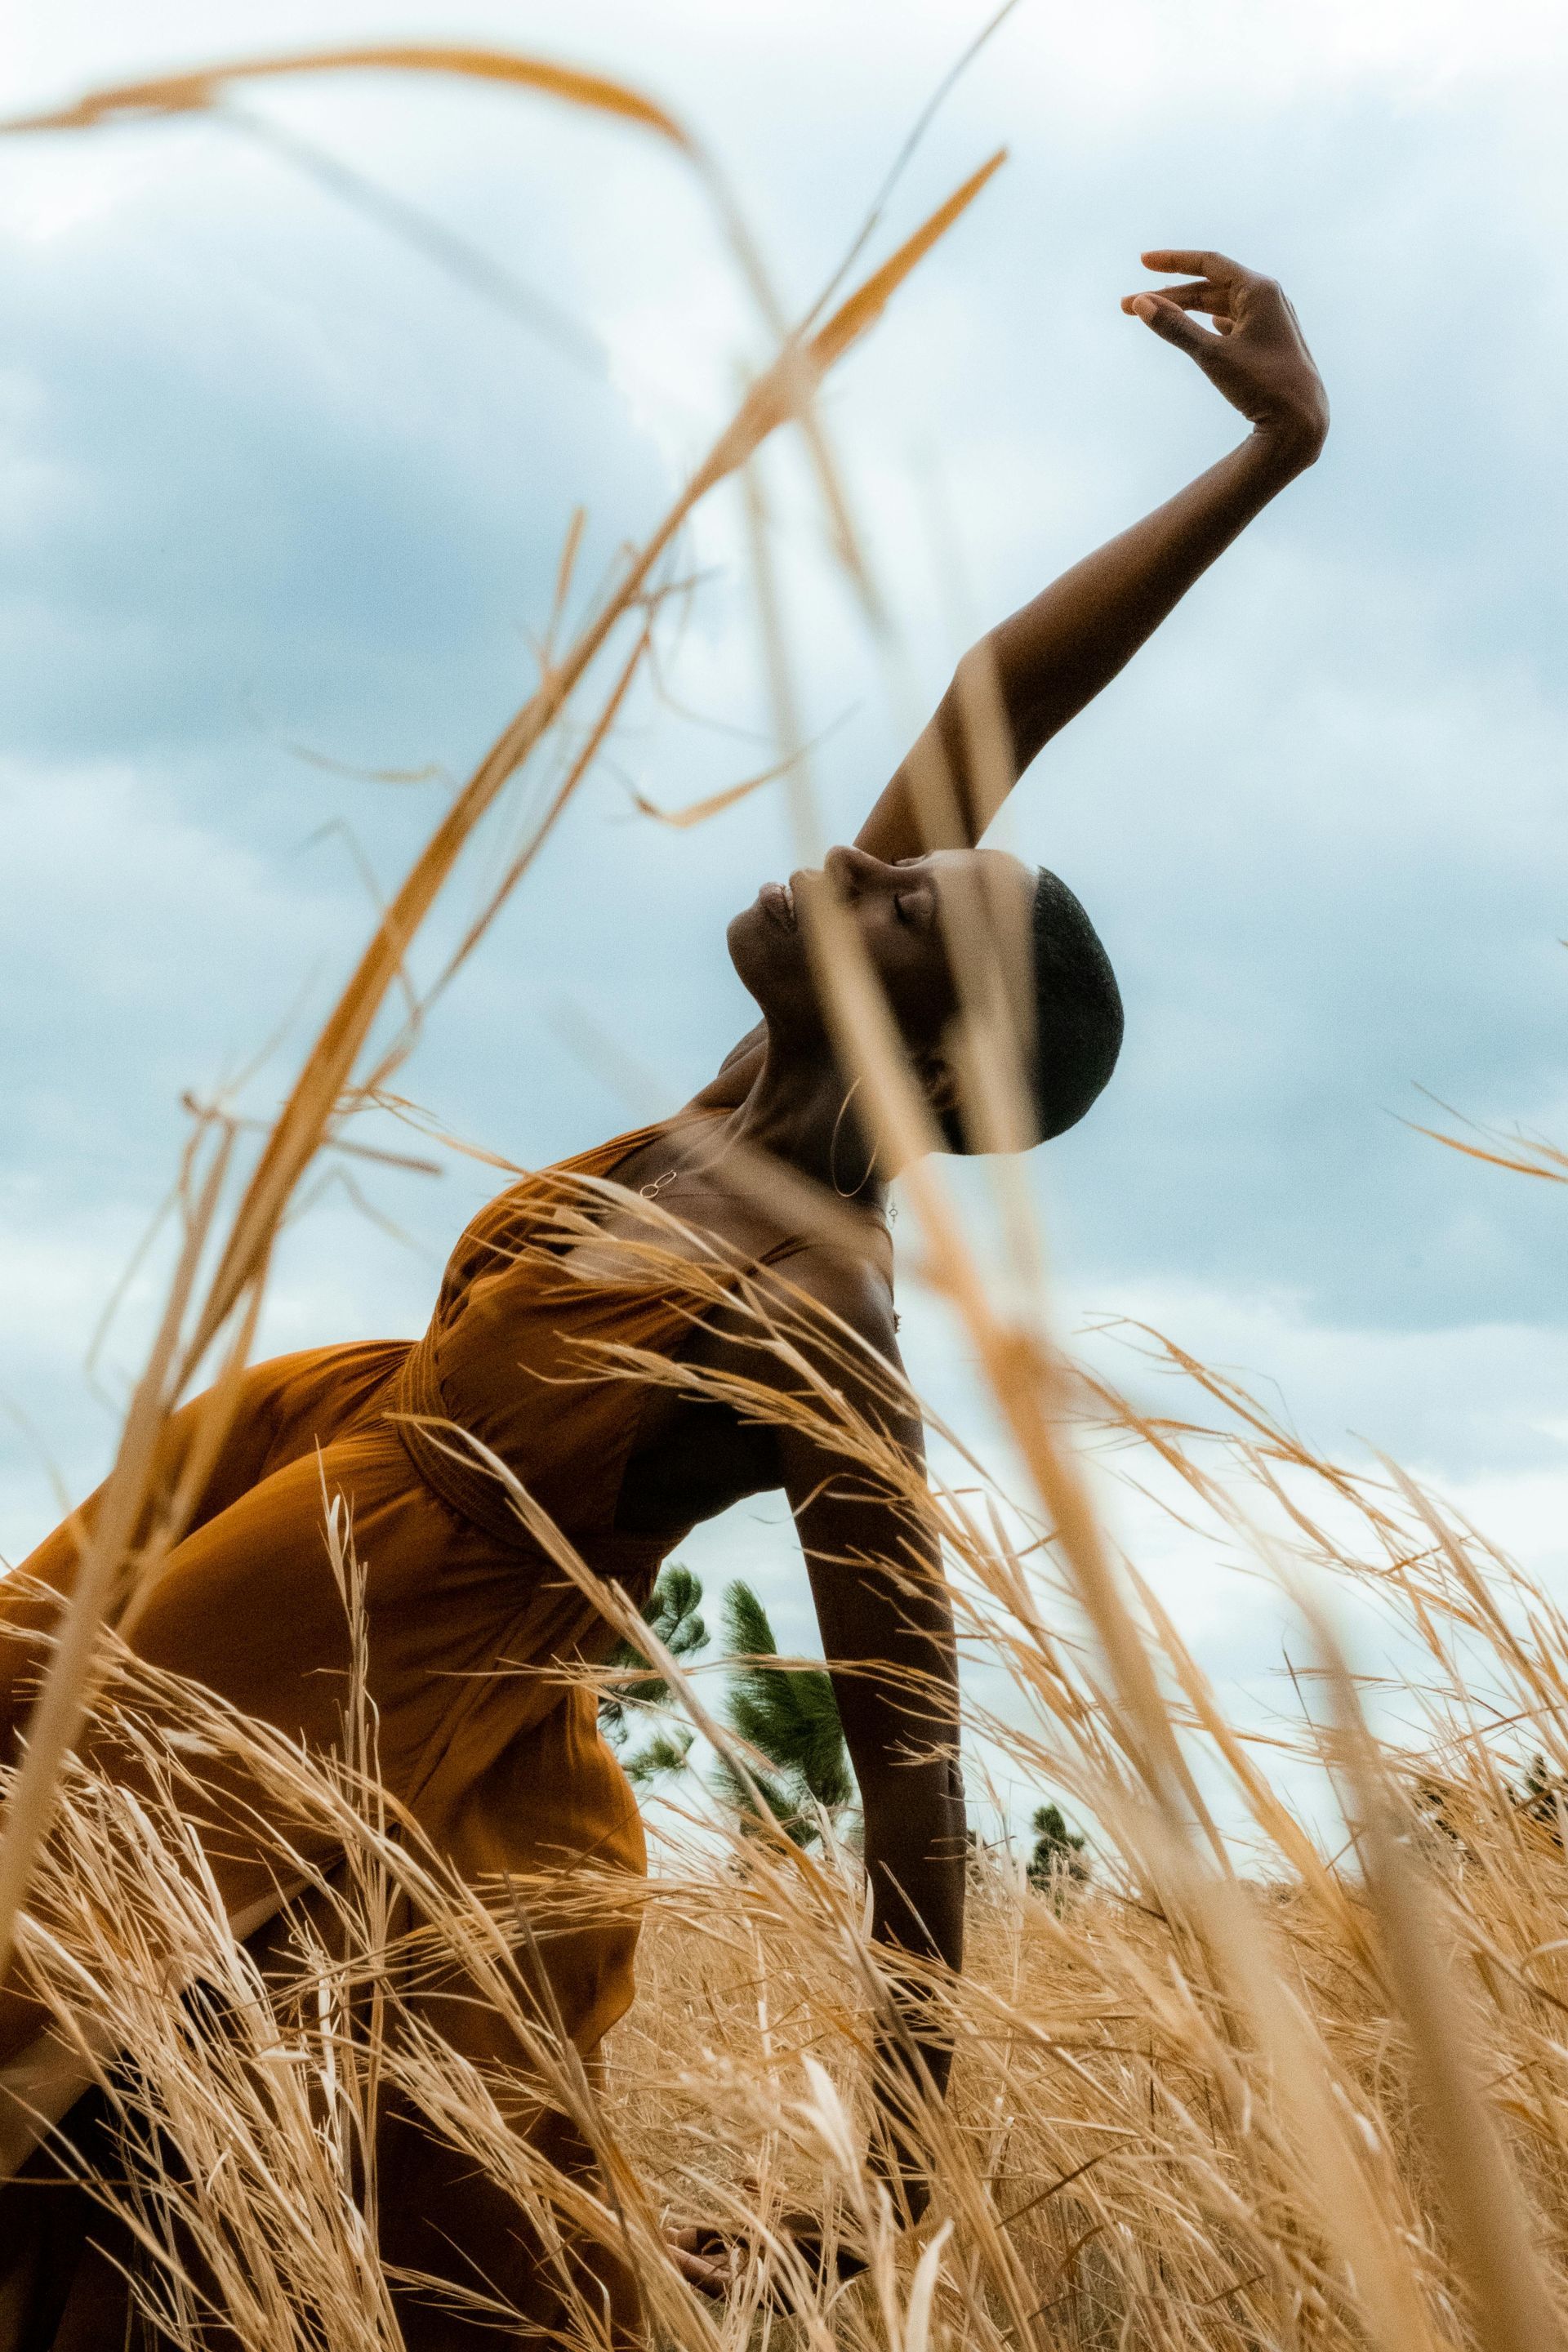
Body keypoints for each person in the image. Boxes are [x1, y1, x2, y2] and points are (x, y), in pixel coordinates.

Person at [0, 250, 1327, 2345]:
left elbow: (917, 1789)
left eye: (904, 903)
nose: (856, 864)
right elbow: (999, 700)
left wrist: (891, 2183)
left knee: (166, 2163)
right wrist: (1270, 453)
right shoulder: (739, 1103)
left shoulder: (822, 1325)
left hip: (356, 1754)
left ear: (931, 1045)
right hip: (246, 1573)